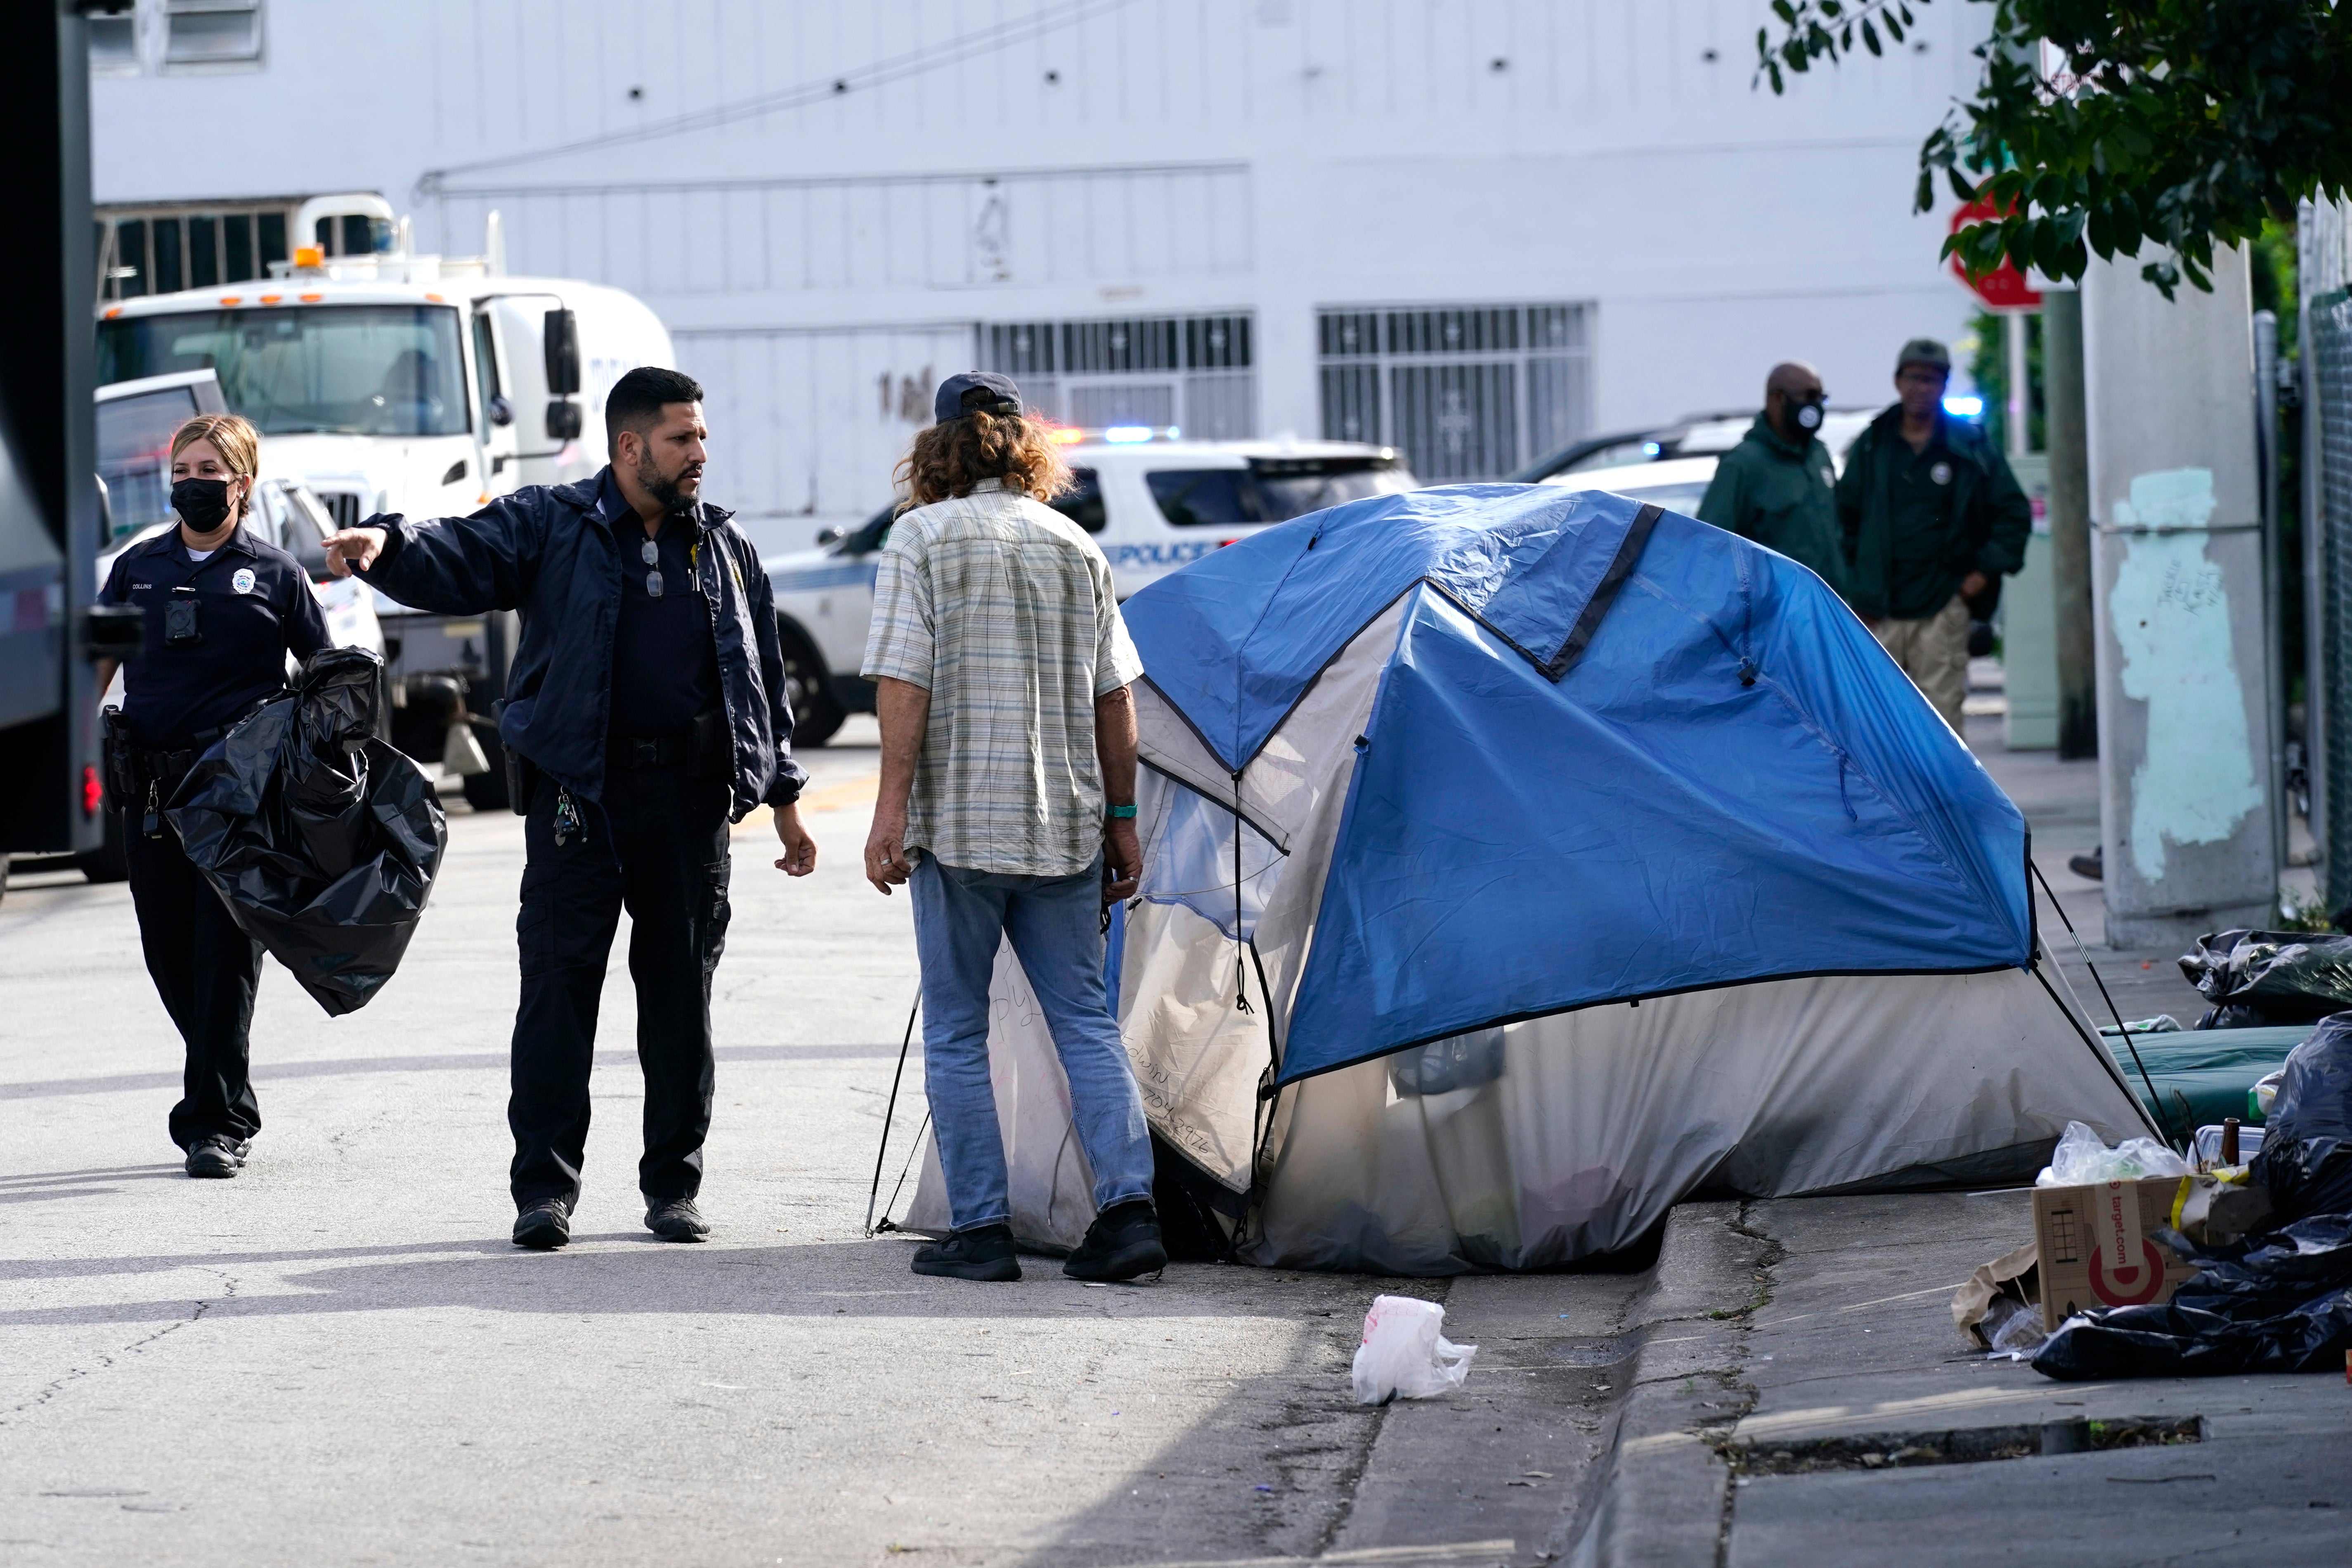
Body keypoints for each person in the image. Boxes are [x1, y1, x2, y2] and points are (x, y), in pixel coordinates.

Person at [319, 367, 818, 1251]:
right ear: (630, 448)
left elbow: (761, 677)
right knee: (558, 994)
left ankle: (673, 1187)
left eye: (701, 437)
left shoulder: (725, 547)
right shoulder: (555, 523)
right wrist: (386, 545)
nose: (699, 454)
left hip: (688, 804)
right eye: (680, 439)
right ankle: (543, 1191)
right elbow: (461, 550)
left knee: (679, 1000)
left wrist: (781, 797)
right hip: (578, 800)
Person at [860, 372, 1165, 1285]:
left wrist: (888, 811)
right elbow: (1117, 703)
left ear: (939, 450)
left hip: (957, 826)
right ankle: (1127, 1214)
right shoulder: (1075, 544)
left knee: (956, 1029)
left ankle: (982, 1231)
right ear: (1024, 446)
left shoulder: (918, 538)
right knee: (1083, 1018)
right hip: (1064, 824)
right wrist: (1122, 823)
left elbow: (902, 683)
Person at [95, 414, 333, 1178]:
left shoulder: (275, 575)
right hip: (155, 793)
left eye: (210, 470)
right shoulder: (135, 570)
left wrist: (321, 763)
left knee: (224, 955)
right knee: (169, 954)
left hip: (240, 799)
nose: (193, 482)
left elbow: (325, 673)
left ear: (243, 484)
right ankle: (222, 1089)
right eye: (183, 469)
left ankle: (215, 1123)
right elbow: (91, 673)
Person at [1835, 338, 2031, 733]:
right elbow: (1841, 519)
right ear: (1897, 381)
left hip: (1942, 606)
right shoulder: (1873, 444)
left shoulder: (1969, 445)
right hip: (1879, 611)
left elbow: (2012, 512)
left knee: (1940, 724)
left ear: (1944, 385)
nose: (1921, 388)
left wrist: (1977, 578)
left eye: (1932, 380)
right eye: (1913, 378)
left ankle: (1941, 799)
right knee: (1877, 724)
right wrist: (1854, 588)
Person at [1695, 361, 1844, 591]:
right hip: (1779, 614)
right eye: (1809, 397)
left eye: (1821, 399)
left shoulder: (1819, 455)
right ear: (1778, 399)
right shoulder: (1743, 465)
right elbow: (1711, 546)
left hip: (1830, 608)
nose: (1816, 407)